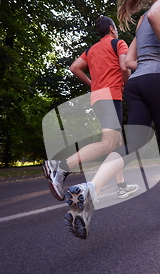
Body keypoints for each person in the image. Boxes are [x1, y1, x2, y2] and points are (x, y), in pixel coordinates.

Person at [64, 0, 160, 239]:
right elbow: (158, 16)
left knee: (132, 145)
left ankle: (91, 189)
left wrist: (148, 61)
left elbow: (129, 62)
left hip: (136, 84)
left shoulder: (141, 20)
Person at [42, 16, 138, 206]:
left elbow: (74, 67)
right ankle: (60, 167)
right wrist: (127, 86)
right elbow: (124, 66)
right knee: (109, 143)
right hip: (111, 97)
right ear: (112, 29)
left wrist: (92, 84)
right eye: (116, 28)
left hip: (98, 99)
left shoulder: (91, 50)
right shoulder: (118, 43)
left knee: (117, 143)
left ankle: (121, 186)